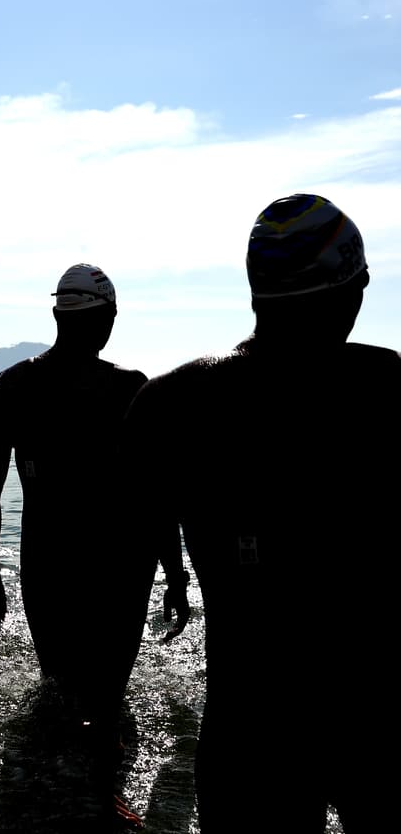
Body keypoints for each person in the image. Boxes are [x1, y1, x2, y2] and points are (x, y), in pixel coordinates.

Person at [122, 194, 386, 831]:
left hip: (249, 726)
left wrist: (102, 760)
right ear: (350, 291)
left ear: (256, 295)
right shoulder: (391, 393)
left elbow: (116, 557)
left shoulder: (171, 406)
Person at [0, 265, 188, 825]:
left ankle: (49, 795)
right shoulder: (130, 388)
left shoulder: (15, 385)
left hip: (48, 560)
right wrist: (177, 573)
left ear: (56, 315)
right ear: (108, 318)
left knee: (61, 688)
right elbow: (160, 495)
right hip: (122, 563)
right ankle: (99, 798)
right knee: (106, 696)